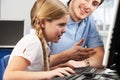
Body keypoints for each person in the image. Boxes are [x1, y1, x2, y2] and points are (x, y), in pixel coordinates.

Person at [3, 0, 76, 80]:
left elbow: (31, 72)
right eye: (61, 25)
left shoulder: (43, 43)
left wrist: (54, 70)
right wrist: (49, 73)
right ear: (43, 23)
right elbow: (9, 76)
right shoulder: (32, 42)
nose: (65, 30)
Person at [50, 0, 104, 68]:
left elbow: (100, 57)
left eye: (94, 4)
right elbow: (35, 63)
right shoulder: (52, 12)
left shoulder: (88, 19)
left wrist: (81, 64)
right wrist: (66, 55)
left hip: (71, 75)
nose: (88, 6)